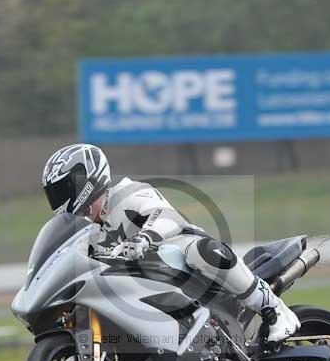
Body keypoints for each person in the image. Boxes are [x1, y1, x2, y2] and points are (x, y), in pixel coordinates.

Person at [41, 143, 300, 343]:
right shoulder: (90, 232)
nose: (60, 197)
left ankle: (272, 308)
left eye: (63, 188)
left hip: (181, 258)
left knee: (201, 252)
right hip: (150, 290)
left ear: (83, 178)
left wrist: (145, 238)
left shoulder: (129, 193)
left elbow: (166, 216)